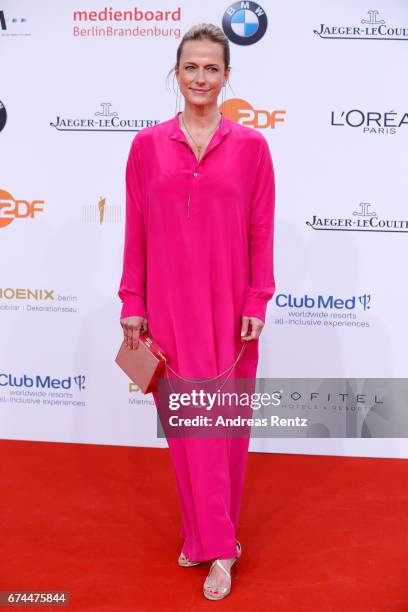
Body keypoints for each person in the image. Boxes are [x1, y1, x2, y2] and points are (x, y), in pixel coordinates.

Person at [118, 23, 276, 601]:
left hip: (232, 309)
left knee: (223, 430)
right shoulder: (146, 146)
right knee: (188, 429)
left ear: (227, 76)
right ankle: (210, 536)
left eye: (212, 68)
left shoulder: (253, 148)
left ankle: (216, 546)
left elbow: (262, 229)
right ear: (176, 74)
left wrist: (258, 297)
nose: (201, 77)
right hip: (168, 309)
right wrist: (132, 303)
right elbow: (135, 231)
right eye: (192, 67)